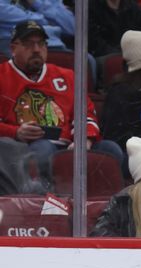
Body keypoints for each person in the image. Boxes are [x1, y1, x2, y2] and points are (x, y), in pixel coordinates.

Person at [0, 21, 124, 186]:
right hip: (25, 148)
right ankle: (44, 202)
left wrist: (84, 139)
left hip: (70, 145)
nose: (37, 49)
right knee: (44, 149)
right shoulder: (2, 76)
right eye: (29, 44)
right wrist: (16, 132)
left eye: (41, 43)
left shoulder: (67, 76)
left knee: (111, 149)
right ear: (13, 48)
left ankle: (106, 206)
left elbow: (86, 113)